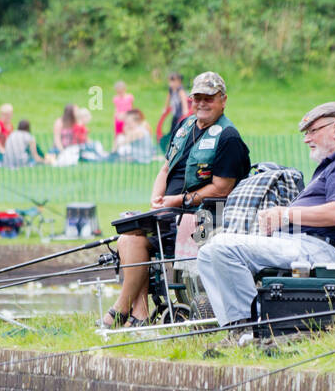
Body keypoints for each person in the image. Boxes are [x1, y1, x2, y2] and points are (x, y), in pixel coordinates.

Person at [198, 100, 335, 330]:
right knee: (206, 253)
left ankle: (250, 326)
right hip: (298, 243)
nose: (306, 139)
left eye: (313, 131)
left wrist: (287, 214)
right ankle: (237, 324)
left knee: (223, 246)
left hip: (316, 248)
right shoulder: (333, 164)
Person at [104, 71, 250, 328]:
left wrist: (176, 201)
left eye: (209, 98)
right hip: (170, 213)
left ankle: (120, 309)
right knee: (128, 232)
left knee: (135, 235)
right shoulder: (184, 126)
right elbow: (164, 168)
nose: (202, 103)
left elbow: (221, 190)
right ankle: (139, 314)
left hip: (207, 217)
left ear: (223, 100)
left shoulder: (229, 137)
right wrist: (156, 200)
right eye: (197, 98)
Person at [157, 72, 191, 151]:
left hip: (180, 114)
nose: (171, 84)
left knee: (179, 130)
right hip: (175, 114)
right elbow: (168, 99)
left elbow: (184, 100)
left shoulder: (180, 90)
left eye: (173, 81)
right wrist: (165, 108)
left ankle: (179, 145)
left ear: (178, 81)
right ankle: (170, 145)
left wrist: (185, 111)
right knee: (172, 130)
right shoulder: (171, 90)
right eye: (170, 81)